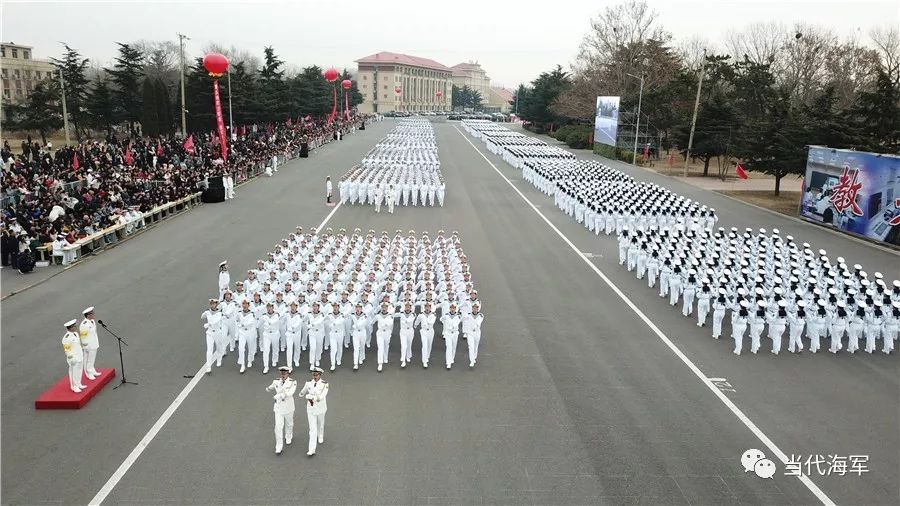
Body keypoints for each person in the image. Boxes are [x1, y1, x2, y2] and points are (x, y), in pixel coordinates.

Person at [266, 366, 297, 455]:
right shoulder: (276, 381)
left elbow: (290, 393)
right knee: (278, 427)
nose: (283, 375)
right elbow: (272, 386)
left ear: (288, 374)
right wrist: (268, 388)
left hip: (288, 407)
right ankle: (278, 446)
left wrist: (280, 396)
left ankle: (288, 435)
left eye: (285, 373)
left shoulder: (292, 382)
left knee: (289, 423)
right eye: (282, 373)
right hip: (278, 408)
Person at [298, 367, 329, 456]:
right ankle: (311, 449)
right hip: (311, 409)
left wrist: (315, 398)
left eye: (317, 375)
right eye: (313, 375)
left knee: (320, 424)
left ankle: (321, 435)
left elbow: (323, 395)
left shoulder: (324, 384)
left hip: (320, 408)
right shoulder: (308, 383)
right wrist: (301, 394)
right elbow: (303, 391)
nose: (315, 377)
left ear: (320, 375)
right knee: (312, 429)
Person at [201, 299, 228, 373]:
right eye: (211, 304)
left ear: (216, 304)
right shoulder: (208, 311)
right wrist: (205, 313)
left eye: (213, 304)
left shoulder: (219, 313)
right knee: (209, 350)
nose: (212, 305)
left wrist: (208, 324)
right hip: (209, 333)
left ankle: (219, 360)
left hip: (217, 333)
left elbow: (215, 321)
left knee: (219, 348)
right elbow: (202, 317)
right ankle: (208, 366)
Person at [62, 319, 86, 393]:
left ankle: (78, 383)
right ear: (70, 327)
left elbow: (77, 344)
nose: (75, 327)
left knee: (79, 370)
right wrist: (71, 358)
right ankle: (74, 386)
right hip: (73, 357)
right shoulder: (66, 338)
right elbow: (67, 350)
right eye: (74, 326)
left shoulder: (75, 333)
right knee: (74, 372)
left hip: (79, 355)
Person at [79, 307, 102, 380]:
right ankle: (89, 373)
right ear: (88, 315)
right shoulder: (84, 324)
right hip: (89, 345)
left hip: (94, 343)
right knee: (89, 360)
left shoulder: (92, 321)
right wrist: (85, 345)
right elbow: (83, 336)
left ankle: (92, 370)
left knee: (92, 359)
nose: (93, 314)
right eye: (92, 313)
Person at [237, 300, 257, 373]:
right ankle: (242, 364)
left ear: (249, 305)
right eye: (243, 304)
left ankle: (250, 360)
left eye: (246, 304)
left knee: (250, 347)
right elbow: (237, 320)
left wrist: (242, 324)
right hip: (242, 332)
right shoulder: (239, 313)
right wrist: (239, 325)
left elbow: (250, 322)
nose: (244, 305)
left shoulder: (252, 314)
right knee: (241, 348)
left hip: (250, 332)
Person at [440, 304, 462, 369]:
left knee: (453, 347)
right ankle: (448, 362)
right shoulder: (446, 315)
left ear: (456, 309)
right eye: (451, 308)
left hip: (455, 333)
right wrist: (446, 325)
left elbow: (460, 321)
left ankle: (452, 358)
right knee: (449, 347)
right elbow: (441, 319)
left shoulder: (458, 316)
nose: (452, 309)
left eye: (454, 308)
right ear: (449, 308)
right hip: (448, 333)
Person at [462, 303, 484, 368]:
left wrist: (475, 326)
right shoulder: (468, 315)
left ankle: (474, 357)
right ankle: (471, 360)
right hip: (470, 333)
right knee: (471, 346)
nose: (475, 309)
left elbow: (479, 322)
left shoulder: (481, 315)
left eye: (476, 307)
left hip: (477, 333)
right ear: (472, 308)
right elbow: (462, 320)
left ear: (478, 308)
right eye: (474, 307)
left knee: (475, 346)